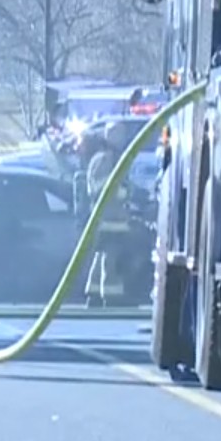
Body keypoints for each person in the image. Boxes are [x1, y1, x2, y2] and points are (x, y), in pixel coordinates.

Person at [83, 122, 135, 307]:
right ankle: (112, 296)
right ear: (110, 136)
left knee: (103, 257)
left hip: (114, 220)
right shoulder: (103, 160)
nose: (122, 139)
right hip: (107, 221)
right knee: (111, 258)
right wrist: (123, 192)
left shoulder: (113, 158)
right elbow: (97, 188)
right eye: (119, 134)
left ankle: (94, 293)